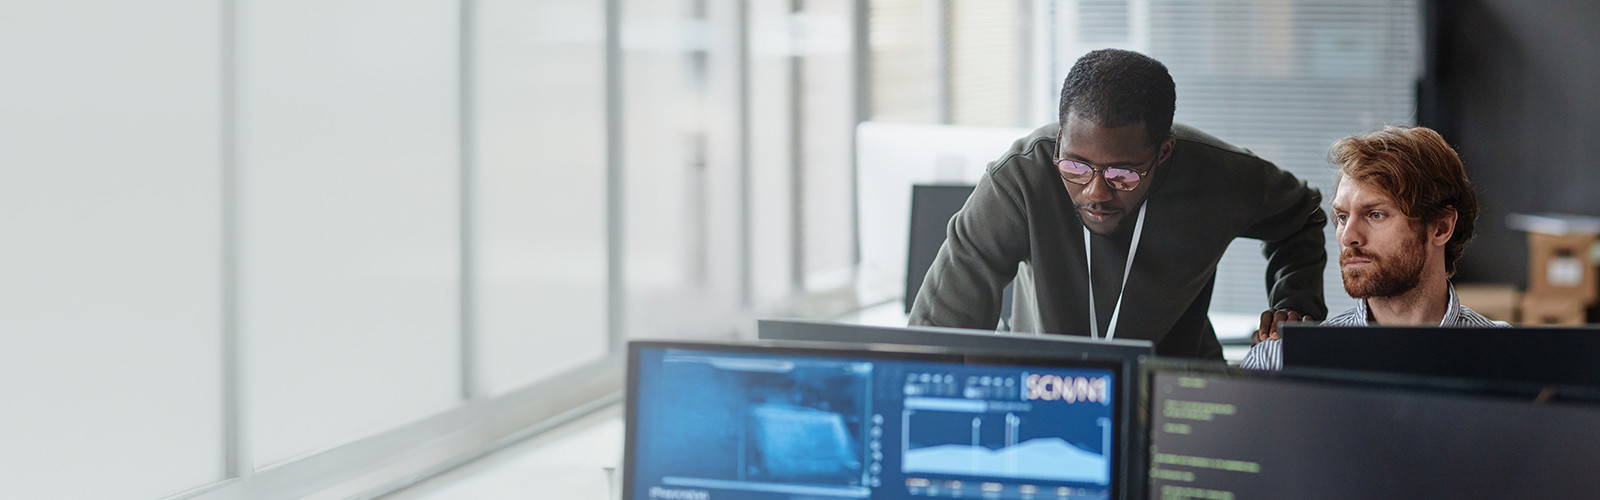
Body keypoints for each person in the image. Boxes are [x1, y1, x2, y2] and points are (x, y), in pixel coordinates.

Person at [908, 49, 1328, 359]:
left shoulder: (1218, 175)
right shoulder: (1021, 179)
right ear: (1059, 143)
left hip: (1174, 395)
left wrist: (1295, 304)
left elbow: (1303, 217)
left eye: (1122, 175)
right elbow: (935, 335)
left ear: (1163, 152)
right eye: (1075, 166)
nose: (1096, 192)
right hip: (1044, 387)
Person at [1240, 126, 1510, 370]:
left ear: (1440, 227)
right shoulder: (1279, 362)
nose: (1348, 236)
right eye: (1343, 217)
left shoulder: (1509, 358)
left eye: (1375, 215)